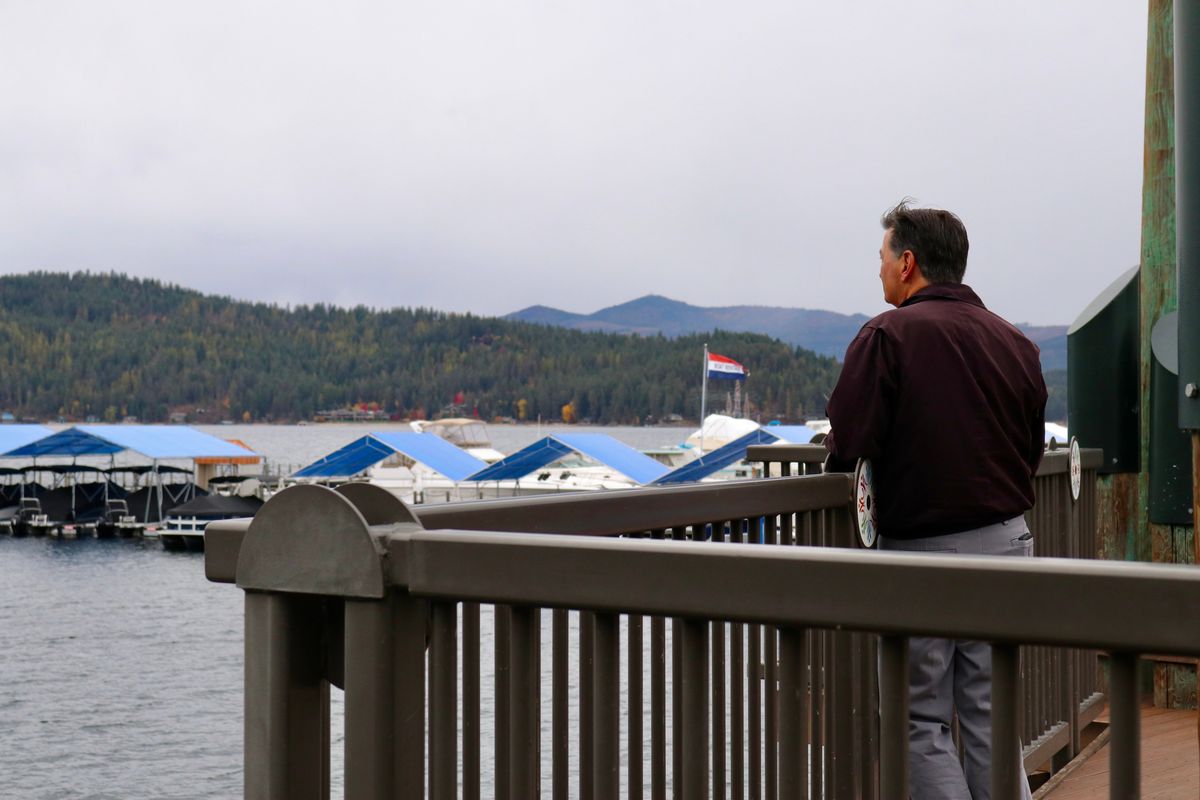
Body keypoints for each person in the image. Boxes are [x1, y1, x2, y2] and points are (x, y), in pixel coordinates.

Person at [824, 200, 1046, 800]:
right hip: (1008, 543)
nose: (878, 269)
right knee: (991, 713)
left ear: (907, 263)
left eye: (882, 257)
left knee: (918, 719)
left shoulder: (886, 335)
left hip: (923, 553)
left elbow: (852, 438)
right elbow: (1027, 452)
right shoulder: (1016, 343)